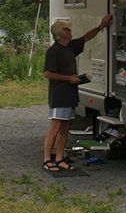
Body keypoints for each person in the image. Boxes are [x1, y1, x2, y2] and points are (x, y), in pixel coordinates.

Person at [42, 14, 112, 171]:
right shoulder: (53, 51)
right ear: (60, 34)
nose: (69, 31)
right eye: (66, 29)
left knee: (66, 127)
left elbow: (86, 37)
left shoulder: (71, 46)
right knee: (55, 127)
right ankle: (47, 159)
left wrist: (101, 26)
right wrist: (68, 79)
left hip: (70, 95)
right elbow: (47, 74)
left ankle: (59, 158)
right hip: (59, 95)